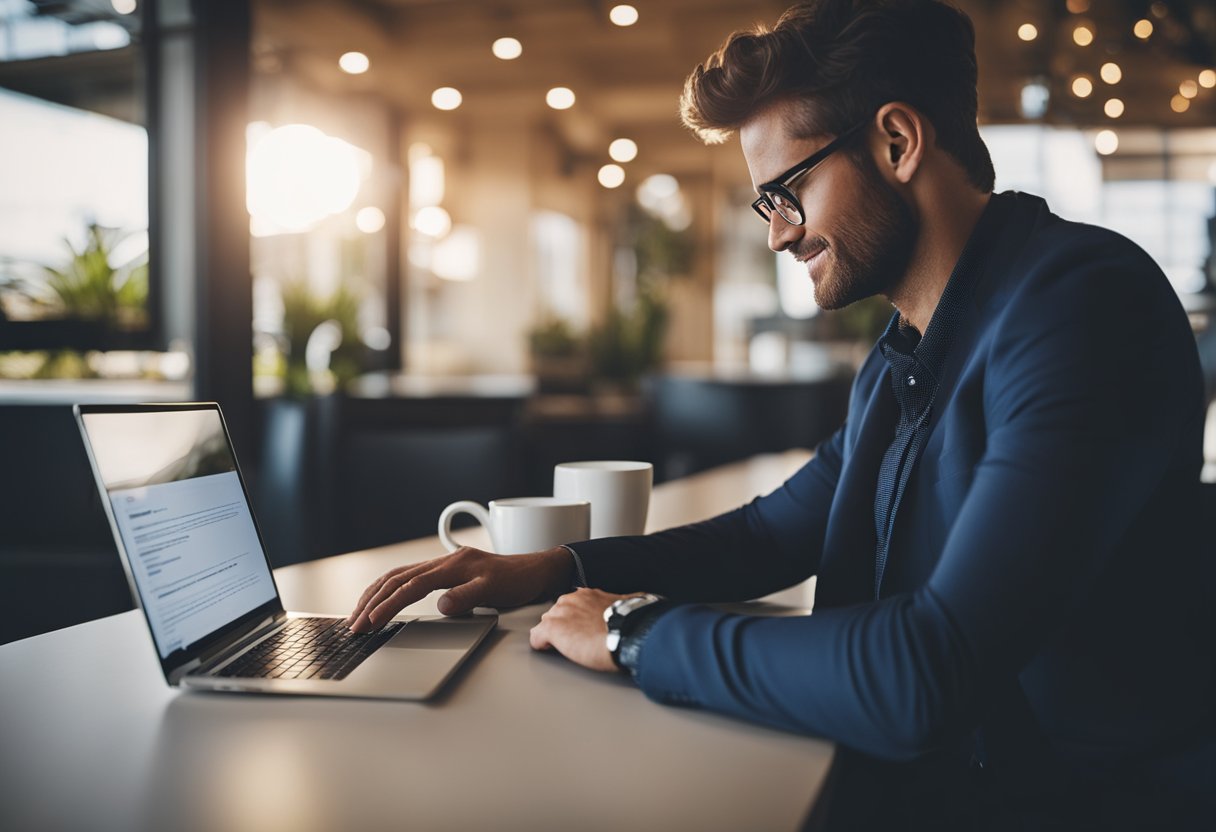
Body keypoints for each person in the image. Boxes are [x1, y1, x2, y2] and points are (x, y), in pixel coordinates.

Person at [348, 1, 1214, 826]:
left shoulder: (1079, 307)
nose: (778, 234)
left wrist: (632, 629)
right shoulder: (907, 352)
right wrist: (554, 568)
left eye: (787, 192)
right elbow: (768, 537)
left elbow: (928, 672)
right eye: (765, 205)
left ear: (897, 141)